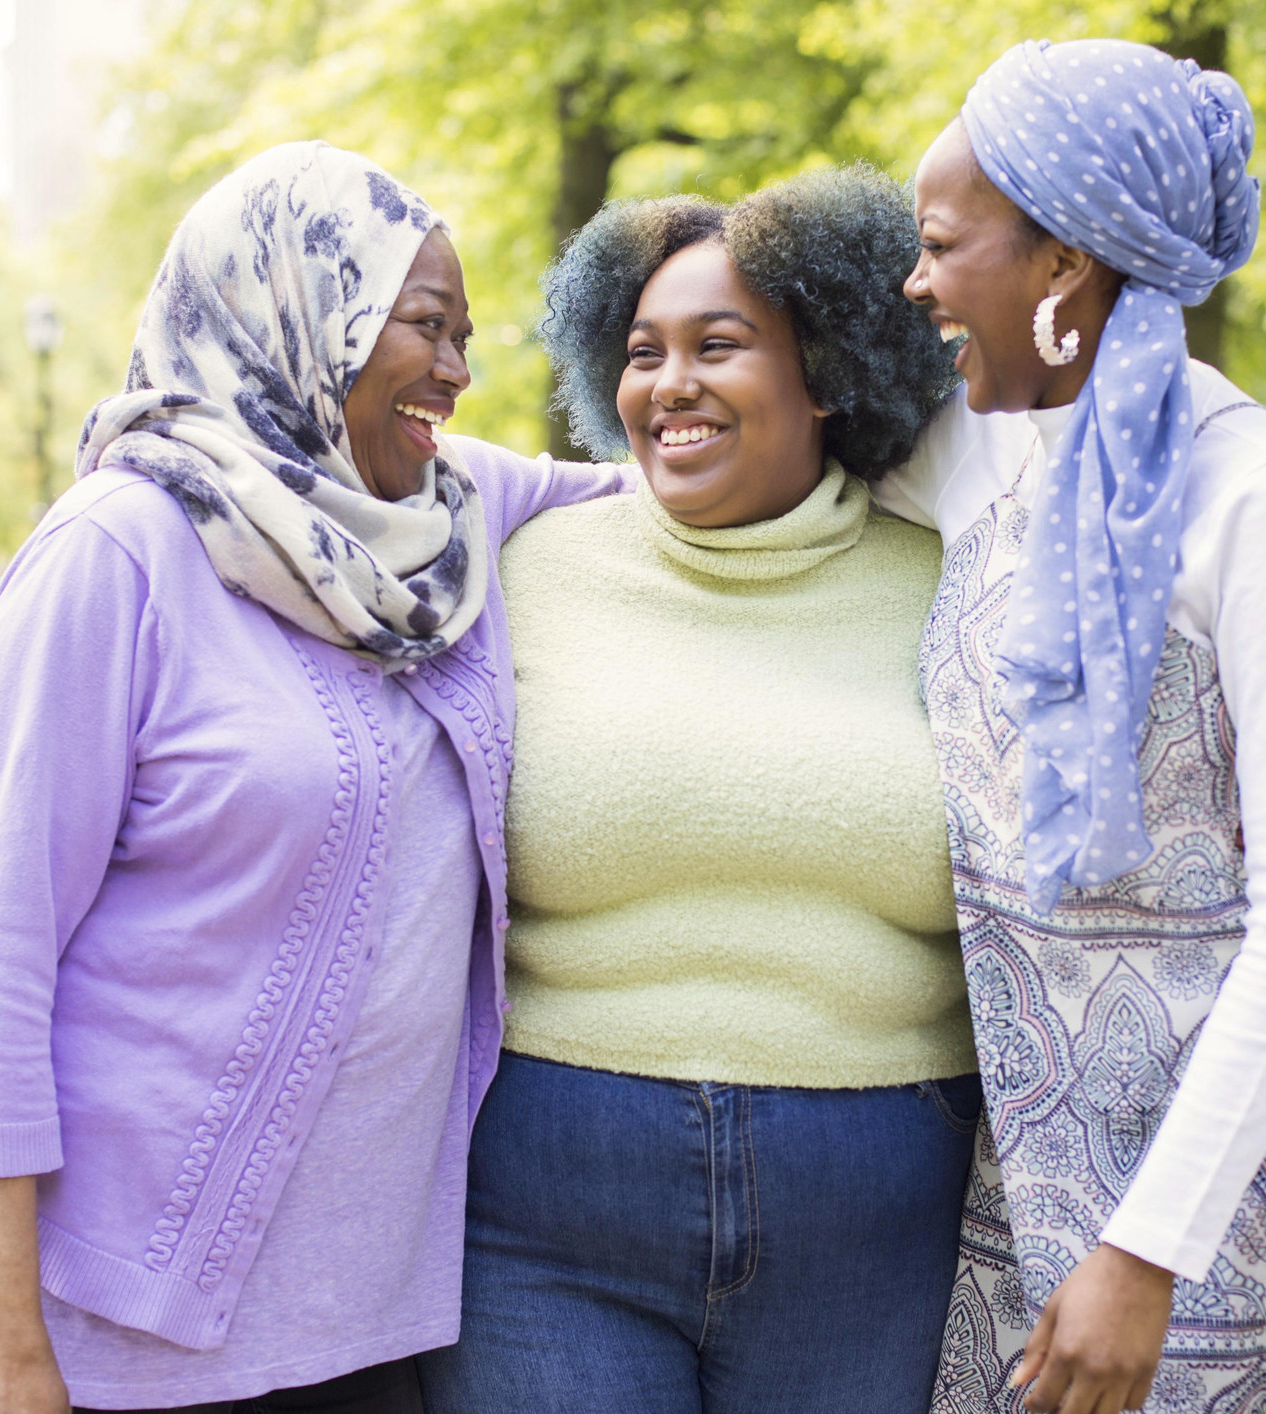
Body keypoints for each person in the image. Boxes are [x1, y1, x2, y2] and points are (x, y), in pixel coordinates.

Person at [0, 142, 623, 1414]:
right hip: (98, 1313)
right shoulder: (120, 550)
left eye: (466, 334)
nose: (457, 369)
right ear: (300, 319)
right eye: (424, 326)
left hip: (358, 1320)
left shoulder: (446, 515)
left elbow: (681, 475)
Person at [881, 39, 1266, 1414]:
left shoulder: (1261, 500)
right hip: (1032, 1150)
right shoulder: (971, 449)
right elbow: (730, 441)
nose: (915, 282)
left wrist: (1147, 1246)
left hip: (1240, 1168)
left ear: (1060, 263)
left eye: (942, 245)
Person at [416, 168, 981, 1414]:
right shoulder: (524, 566)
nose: (667, 384)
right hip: (546, 1211)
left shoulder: (950, 586)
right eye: (640, 350)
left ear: (829, 370)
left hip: (872, 1219)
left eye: (717, 346)